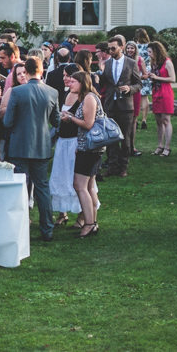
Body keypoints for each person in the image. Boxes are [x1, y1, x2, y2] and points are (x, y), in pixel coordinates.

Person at [3, 56, 59, 241]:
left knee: (21, 187)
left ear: (25, 72)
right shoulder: (52, 92)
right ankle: (47, 228)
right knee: (42, 187)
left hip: (19, 145)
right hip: (41, 145)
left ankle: (20, 226)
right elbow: (56, 121)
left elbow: (7, 121)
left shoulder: (17, 92)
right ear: (41, 71)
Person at [64, 68, 104, 238]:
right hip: (89, 148)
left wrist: (70, 117)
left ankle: (88, 223)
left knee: (79, 185)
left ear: (82, 83)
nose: (69, 83)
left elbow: (88, 124)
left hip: (89, 148)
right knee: (88, 186)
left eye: (73, 81)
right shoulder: (87, 97)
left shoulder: (89, 98)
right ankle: (92, 221)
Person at [101, 36, 142, 177]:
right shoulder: (107, 63)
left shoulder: (131, 63)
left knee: (125, 138)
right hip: (110, 105)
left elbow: (139, 83)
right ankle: (112, 166)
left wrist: (130, 88)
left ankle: (123, 167)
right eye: (109, 49)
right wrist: (99, 73)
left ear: (121, 47)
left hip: (126, 106)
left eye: (113, 48)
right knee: (111, 137)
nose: (110, 51)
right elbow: (103, 83)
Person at [50, 64, 85, 227]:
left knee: (75, 179)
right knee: (60, 176)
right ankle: (62, 213)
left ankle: (82, 215)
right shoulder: (64, 94)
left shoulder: (83, 97)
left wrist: (70, 117)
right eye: (64, 75)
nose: (64, 78)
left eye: (67, 76)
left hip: (75, 141)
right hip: (62, 141)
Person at [146, 41, 176, 156]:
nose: (148, 54)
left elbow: (173, 79)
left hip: (165, 92)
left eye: (150, 52)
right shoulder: (154, 62)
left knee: (166, 120)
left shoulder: (167, 62)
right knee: (158, 121)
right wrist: (150, 76)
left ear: (156, 51)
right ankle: (160, 146)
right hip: (156, 92)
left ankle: (167, 148)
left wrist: (157, 77)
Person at [134, 28, 153, 132]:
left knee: (136, 97)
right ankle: (144, 120)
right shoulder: (149, 47)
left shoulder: (135, 47)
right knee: (145, 97)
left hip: (137, 71)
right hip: (147, 71)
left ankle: (135, 120)